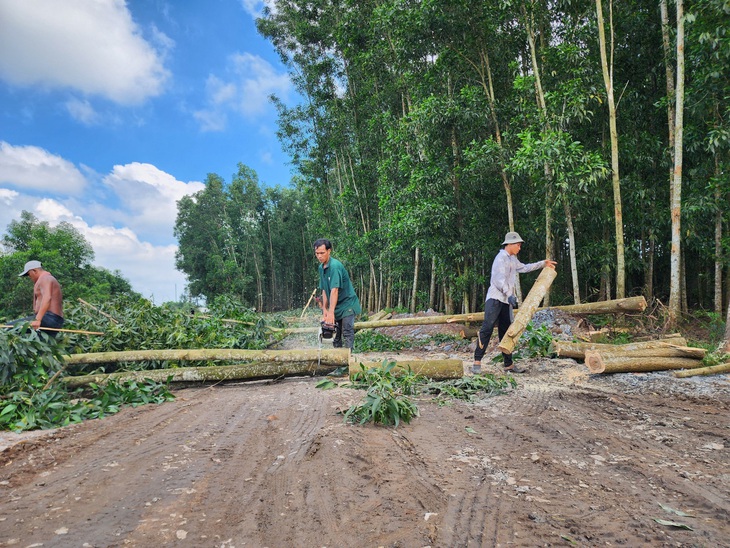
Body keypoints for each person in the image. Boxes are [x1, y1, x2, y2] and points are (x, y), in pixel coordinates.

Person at [473, 232, 556, 374]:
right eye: (518, 245)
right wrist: (510, 294)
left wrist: (543, 264)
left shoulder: (513, 259)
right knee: (487, 328)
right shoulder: (500, 258)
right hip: (495, 299)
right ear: (510, 244)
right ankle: (477, 362)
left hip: (506, 300)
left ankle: (508, 365)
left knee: (506, 331)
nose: (519, 248)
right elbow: (498, 281)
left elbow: (524, 267)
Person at [314, 239, 362, 351]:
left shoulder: (335, 266)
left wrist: (331, 312)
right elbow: (325, 290)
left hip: (347, 304)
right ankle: (338, 362)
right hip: (335, 305)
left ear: (329, 251)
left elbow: (334, 290)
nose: (319, 256)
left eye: (322, 253)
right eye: (317, 253)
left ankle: (349, 359)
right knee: (335, 335)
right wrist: (325, 309)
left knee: (347, 331)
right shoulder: (321, 268)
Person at [15, 260, 65, 337]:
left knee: (8, 328)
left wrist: (38, 319)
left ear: (34, 271)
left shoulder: (45, 278)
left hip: (50, 318)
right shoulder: (44, 279)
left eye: (29, 274)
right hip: (51, 319)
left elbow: (47, 297)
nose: (29, 277)